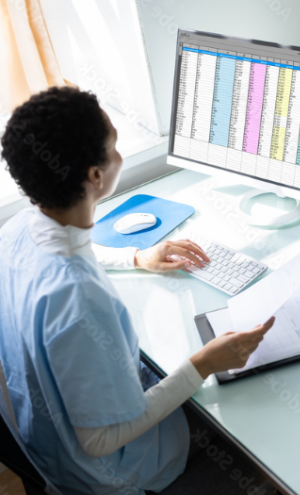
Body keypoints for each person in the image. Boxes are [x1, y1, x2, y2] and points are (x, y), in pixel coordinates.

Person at [0, 87, 275, 495]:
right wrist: (201, 364)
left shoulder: (15, 230)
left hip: (41, 441)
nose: (120, 155)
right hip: (111, 471)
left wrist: (135, 257)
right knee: (257, 423)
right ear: (96, 175)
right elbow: (100, 440)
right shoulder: (79, 300)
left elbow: (67, 247)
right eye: (114, 146)